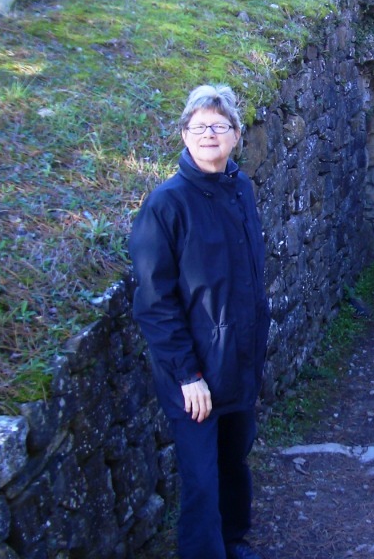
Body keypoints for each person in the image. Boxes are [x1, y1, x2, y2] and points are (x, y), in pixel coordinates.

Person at [129, 84, 270, 559]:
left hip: (239, 361)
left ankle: (233, 541)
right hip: (194, 376)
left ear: (235, 135)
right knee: (201, 480)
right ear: (184, 135)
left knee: (233, 461)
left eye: (219, 126)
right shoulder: (166, 204)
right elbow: (154, 300)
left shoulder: (241, 189)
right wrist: (187, 374)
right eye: (198, 126)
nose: (208, 134)